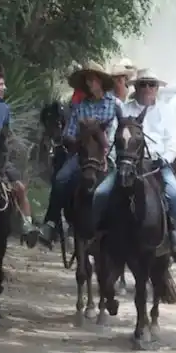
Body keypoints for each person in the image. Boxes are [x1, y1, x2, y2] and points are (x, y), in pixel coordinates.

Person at [93, 68, 176, 261]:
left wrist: (164, 158)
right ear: (136, 87)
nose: (147, 88)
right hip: (127, 164)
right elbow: (113, 137)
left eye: (151, 85)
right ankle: (97, 236)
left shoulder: (167, 111)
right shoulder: (125, 109)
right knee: (100, 193)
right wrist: (119, 159)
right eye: (142, 84)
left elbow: (173, 141)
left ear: (157, 88)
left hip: (157, 164)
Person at [36, 62, 118, 248]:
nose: (89, 84)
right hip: (83, 152)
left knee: (125, 182)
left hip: (109, 153)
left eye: (92, 80)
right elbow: (69, 134)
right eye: (87, 80)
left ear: (100, 82)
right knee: (61, 178)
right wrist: (82, 137)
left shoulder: (115, 105)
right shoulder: (80, 107)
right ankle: (51, 223)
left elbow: (120, 132)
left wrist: (100, 135)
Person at [0, 69, 38, 241]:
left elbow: (7, 134)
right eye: (1, 84)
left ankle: (26, 224)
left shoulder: (4, 109)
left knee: (19, 186)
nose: (4, 88)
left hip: (0, 158)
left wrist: (10, 150)